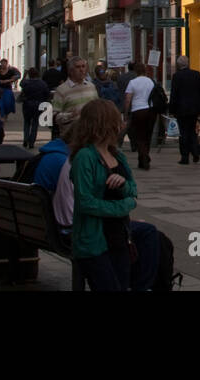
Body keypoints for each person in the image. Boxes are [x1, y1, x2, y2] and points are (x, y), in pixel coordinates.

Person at [69, 100, 137, 291]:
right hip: (94, 239)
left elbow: (133, 190)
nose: (120, 125)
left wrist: (123, 185)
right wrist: (122, 207)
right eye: (116, 120)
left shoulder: (117, 154)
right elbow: (86, 202)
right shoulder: (85, 157)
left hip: (119, 236)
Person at [169, 56, 200, 165]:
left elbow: (174, 94)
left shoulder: (177, 76)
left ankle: (185, 156)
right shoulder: (196, 74)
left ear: (178, 65)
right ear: (188, 63)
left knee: (183, 132)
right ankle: (195, 152)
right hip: (194, 109)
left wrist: (171, 109)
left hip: (181, 109)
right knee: (192, 131)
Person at [123, 63, 157, 170]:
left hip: (137, 110)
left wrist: (126, 113)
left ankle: (144, 158)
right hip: (150, 110)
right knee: (147, 136)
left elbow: (128, 99)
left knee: (139, 136)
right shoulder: (151, 81)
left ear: (136, 72)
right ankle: (143, 158)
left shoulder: (132, 82)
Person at [52, 56, 97, 137]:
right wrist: (71, 115)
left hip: (90, 135)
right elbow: (54, 116)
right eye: (78, 67)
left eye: (83, 66)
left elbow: (97, 107)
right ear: (71, 71)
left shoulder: (91, 87)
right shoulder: (61, 90)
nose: (81, 70)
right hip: (71, 137)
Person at [19, 68, 51, 149]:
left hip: (27, 104)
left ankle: (25, 139)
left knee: (27, 122)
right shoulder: (42, 83)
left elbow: (21, 84)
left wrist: (24, 75)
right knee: (35, 123)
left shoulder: (26, 83)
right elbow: (47, 94)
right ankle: (32, 141)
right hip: (38, 105)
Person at [0, 56, 19, 121]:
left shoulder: (10, 71)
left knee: (7, 103)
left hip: (7, 89)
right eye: (2, 63)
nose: (3, 65)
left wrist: (8, 81)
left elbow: (15, 77)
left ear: (6, 63)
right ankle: (2, 116)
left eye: (4, 63)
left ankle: (6, 115)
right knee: (1, 104)